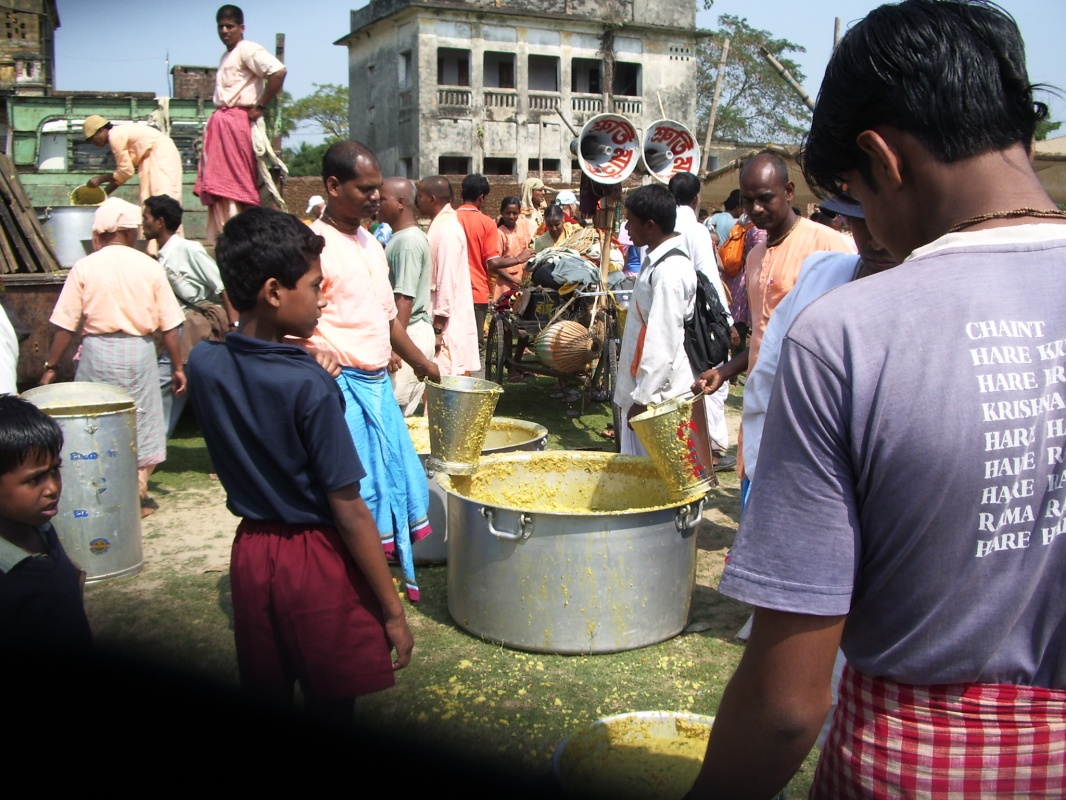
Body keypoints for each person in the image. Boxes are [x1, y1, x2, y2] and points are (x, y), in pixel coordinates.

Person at [690, 2, 1066, 797]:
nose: (872, 234)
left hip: (914, 768)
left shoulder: (849, 336)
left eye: (859, 199)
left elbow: (785, 706)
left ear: (880, 159)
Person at [186, 207, 413, 721]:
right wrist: (391, 609)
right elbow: (349, 509)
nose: (322, 298)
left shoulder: (203, 364)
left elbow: (233, 350)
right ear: (273, 292)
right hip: (314, 559)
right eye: (314, 286)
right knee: (329, 701)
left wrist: (297, 353)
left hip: (251, 554)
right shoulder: (310, 385)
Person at [299, 141, 439, 602]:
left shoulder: (371, 243)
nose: (375, 197)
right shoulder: (314, 248)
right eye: (365, 189)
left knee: (390, 483)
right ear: (333, 186)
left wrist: (421, 362)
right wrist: (315, 358)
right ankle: (346, 584)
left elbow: (387, 318)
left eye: (378, 188)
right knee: (353, 494)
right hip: (341, 389)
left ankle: (373, 577)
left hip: (376, 385)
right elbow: (296, 323)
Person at [693, 152, 854, 485]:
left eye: (765, 198)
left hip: (810, 406)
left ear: (789, 191)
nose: (756, 209)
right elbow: (762, 337)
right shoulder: (755, 256)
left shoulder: (829, 245)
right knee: (755, 482)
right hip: (762, 399)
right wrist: (724, 371)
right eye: (748, 201)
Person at [41, 198, 185, 514]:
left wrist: (51, 366)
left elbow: (66, 325)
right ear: (130, 232)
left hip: (98, 353)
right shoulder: (149, 266)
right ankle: (138, 490)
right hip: (139, 353)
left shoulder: (85, 266)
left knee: (96, 422)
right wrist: (177, 367)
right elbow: (170, 326)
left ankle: (98, 492)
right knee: (141, 420)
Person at [142, 194, 234, 438]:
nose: (143, 223)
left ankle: (152, 443)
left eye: (146, 218)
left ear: (160, 222)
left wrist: (234, 325)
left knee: (168, 381)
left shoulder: (188, 249)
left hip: (195, 328)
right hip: (179, 328)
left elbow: (221, 286)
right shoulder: (161, 255)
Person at [613, 185, 695, 457]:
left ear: (650, 225)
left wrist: (643, 399)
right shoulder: (656, 262)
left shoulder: (669, 272)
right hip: (647, 393)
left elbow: (662, 341)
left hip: (659, 399)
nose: (626, 228)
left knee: (654, 473)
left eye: (630, 221)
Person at [195, 4, 286, 243]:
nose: (225, 31)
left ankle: (240, 234)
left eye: (230, 26)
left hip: (237, 123)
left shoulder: (247, 49)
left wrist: (261, 105)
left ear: (241, 27)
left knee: (237, 185)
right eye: (221, 27)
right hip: (221, 124)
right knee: (220, 189)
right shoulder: (227, 55)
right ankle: (226, 235)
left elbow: (278, 72)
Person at [668, 171, 735, 471]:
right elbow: (709, 277)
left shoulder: (663, 224)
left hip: (670, 313)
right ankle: (713, 450)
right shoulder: (696, 230)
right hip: (698, 317)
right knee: (712, 377)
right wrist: (727, 321)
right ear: (697, 198)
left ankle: (683, 444)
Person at [456, 174, 533, 355]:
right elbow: (493, 262)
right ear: (482, 197)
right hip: (476, 291)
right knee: (474, 347)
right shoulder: (487, 223)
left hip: (450, 291)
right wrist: (519, 259)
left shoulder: (449, 219)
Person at [378, 177, 433, 416]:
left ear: (401, 202)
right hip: (403, 332)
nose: (376, 202)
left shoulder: (408, 242)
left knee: (394, 414)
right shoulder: (400, 237)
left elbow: (404, 298)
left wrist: (395, 347)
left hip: (407, 332)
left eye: (382, 199)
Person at [416, 175, 480, 377]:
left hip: (445, 328)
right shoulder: (440, 225)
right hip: (438, 321)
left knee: (445, 384)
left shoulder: (447, 231)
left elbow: (447, 282)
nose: (416, 200)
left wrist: (437, 330)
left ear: (432, 198)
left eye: (420, 196)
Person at [84, 116, 183, 207]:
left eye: (92, 138)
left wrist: (101, 179)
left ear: (100, 130)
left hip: (161, 154)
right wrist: (101, 196)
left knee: (163, 195)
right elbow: (122, 176)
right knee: (149, 202)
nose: (93, 142)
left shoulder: (115, 135)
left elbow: (126, 172)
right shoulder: (118, 135)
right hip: (150, 157)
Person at [494, 195, 535, 301]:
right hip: (506, 283)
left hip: (524, 279)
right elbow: (495, 265)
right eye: (507, 213)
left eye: (515, 213)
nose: (511, 216)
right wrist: (516, 281)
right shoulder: (499, 233)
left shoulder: (522, 224)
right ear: (501, 212)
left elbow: (528, 247)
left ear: (519, 212)